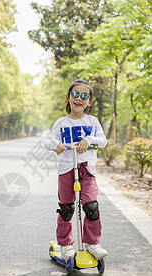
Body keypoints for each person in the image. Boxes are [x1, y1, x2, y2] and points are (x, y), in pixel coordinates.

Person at [44, 79, 108, 261]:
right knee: (67, 209)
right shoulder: (61, 123)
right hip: (66, 170)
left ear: (90, 102)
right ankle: (64, 245)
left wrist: (89, 140)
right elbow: (47, 141)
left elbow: (102, 141)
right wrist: (56, 144)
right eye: (75, 94)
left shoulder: (92, 122)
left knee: (91, 206)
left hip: (87, 170)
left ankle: (92, 243)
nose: (79, 98)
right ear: (68, 98)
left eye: (84, 96)